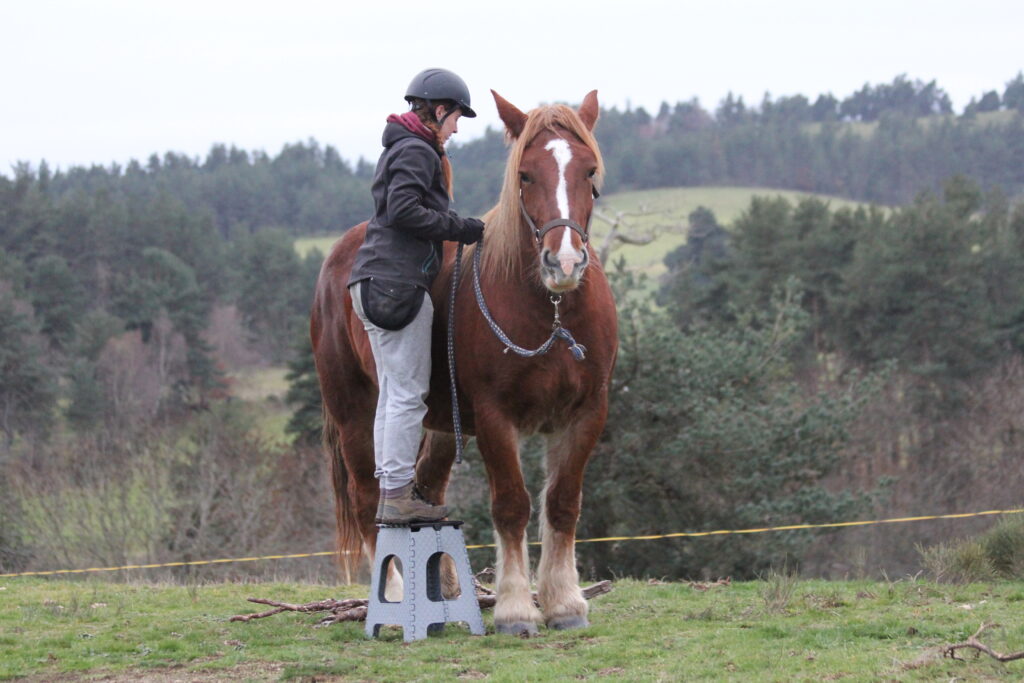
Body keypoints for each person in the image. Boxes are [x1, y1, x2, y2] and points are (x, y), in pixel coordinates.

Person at [347, 68, 484, 524]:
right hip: (397, 284)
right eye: (457, 117)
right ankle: (398, 495)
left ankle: (392, 489)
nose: (458, 127)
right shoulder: (416, 150)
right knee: (407, 395)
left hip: (376, 281)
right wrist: (462, 229)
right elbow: (405, 210)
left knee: (393, 394)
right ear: (439, 110)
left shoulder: (402, 146)